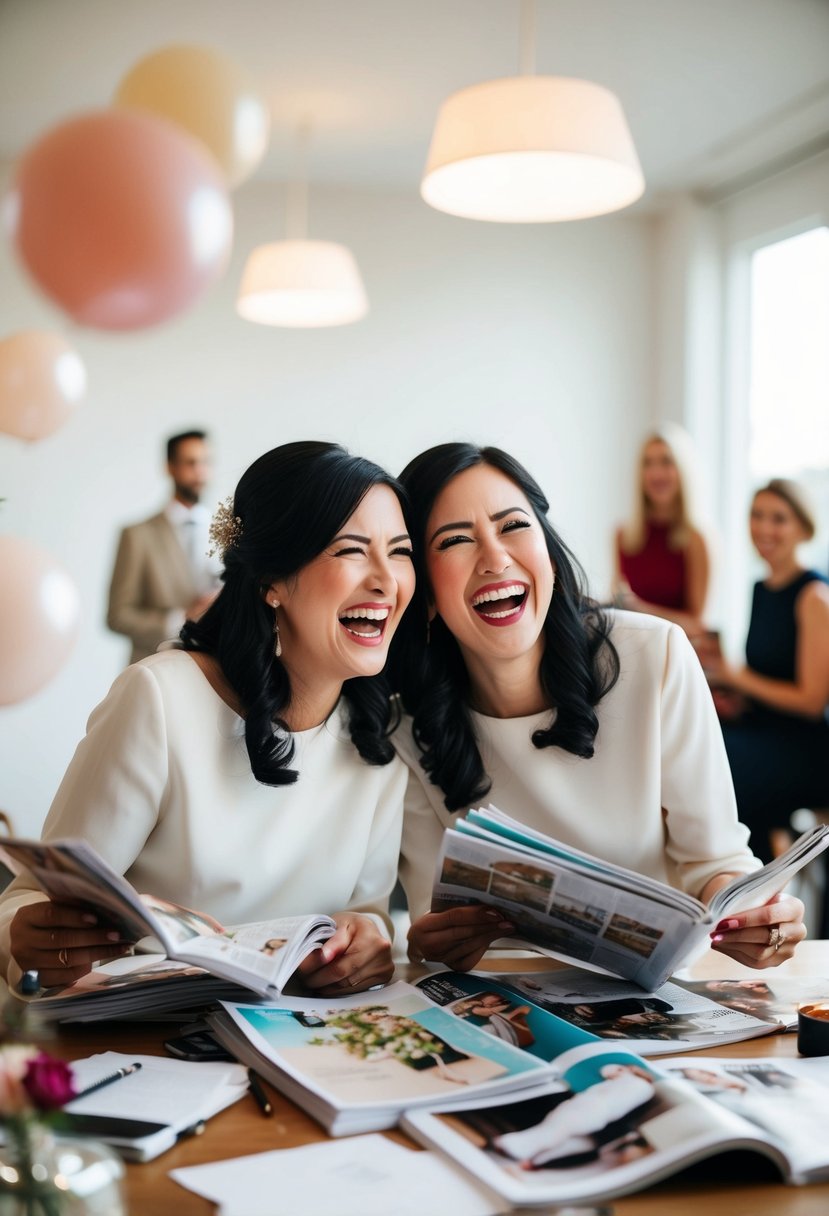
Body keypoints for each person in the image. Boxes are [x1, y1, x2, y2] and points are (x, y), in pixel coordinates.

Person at [0, 441, 416, 996]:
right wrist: (26, 939)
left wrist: (367, 940)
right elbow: (28, 902)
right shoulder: (160, 699)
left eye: (401, 551)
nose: (387, 580)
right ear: (272, 580)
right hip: (141, 1040)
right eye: (351, 551)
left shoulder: (381, 737)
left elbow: (368, 914)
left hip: (302, 1041)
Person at [390, 442, 805, 973]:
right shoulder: (403, 726)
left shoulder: (655, 655)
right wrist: (434, 940)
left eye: (513, 526)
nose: (495, 559)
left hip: (655, 996)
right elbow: (433, 918)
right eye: (454, 540)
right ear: (422, 588)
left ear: (549, 553)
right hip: (509, 1005)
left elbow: (715, 864)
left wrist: (756, 916)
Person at [709, 479, 829, 863]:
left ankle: (751, 882)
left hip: (805, 749)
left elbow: (812, 702)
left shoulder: (814, 596)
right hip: (764, 730)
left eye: (778, 519)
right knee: (703, 738)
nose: (764, 528)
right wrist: (735, 698)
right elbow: (767, 679)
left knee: (724, 764)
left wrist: (735, 676)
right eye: (757, 516)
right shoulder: (761, 588)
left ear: (804, 529)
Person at [107, 430, 222, 663]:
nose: (200, 472)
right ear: (170, 467)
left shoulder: (231, 534)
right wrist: (182, 619)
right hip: (155, 671)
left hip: (218, 672)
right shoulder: (137, 535)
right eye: (190, 463)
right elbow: (118, 616)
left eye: (205, 462)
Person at [612, 424, 710, 637]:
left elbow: (696, 625)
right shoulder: (623, 536)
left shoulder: (697, 540)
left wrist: (640, 609)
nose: (656, 473)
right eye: (648, 463)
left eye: (666, 462)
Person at [493, 1062, 656, 1169]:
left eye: (619, 1070)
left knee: (555, 1130)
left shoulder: (632, 1083)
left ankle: (517, 1147)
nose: (612, 1074)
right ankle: (521, 1149)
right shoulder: (638, 1088)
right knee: (557, 1131)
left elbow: (606, 1090)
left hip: (588, 1110)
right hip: (593, 1113)